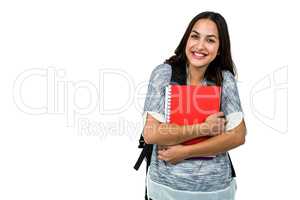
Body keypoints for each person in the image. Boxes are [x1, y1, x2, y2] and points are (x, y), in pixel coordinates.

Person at [141, 11, 246, 200]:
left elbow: (237, 136)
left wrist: (185, 151)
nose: (200, 46)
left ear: (220, 48)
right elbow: (151, 134)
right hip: (166, 189)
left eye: (210, 40)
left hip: (215, 190)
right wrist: (204, 128)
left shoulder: (224, 79)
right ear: (186, 39)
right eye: (195, 36)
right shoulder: (164, 74)